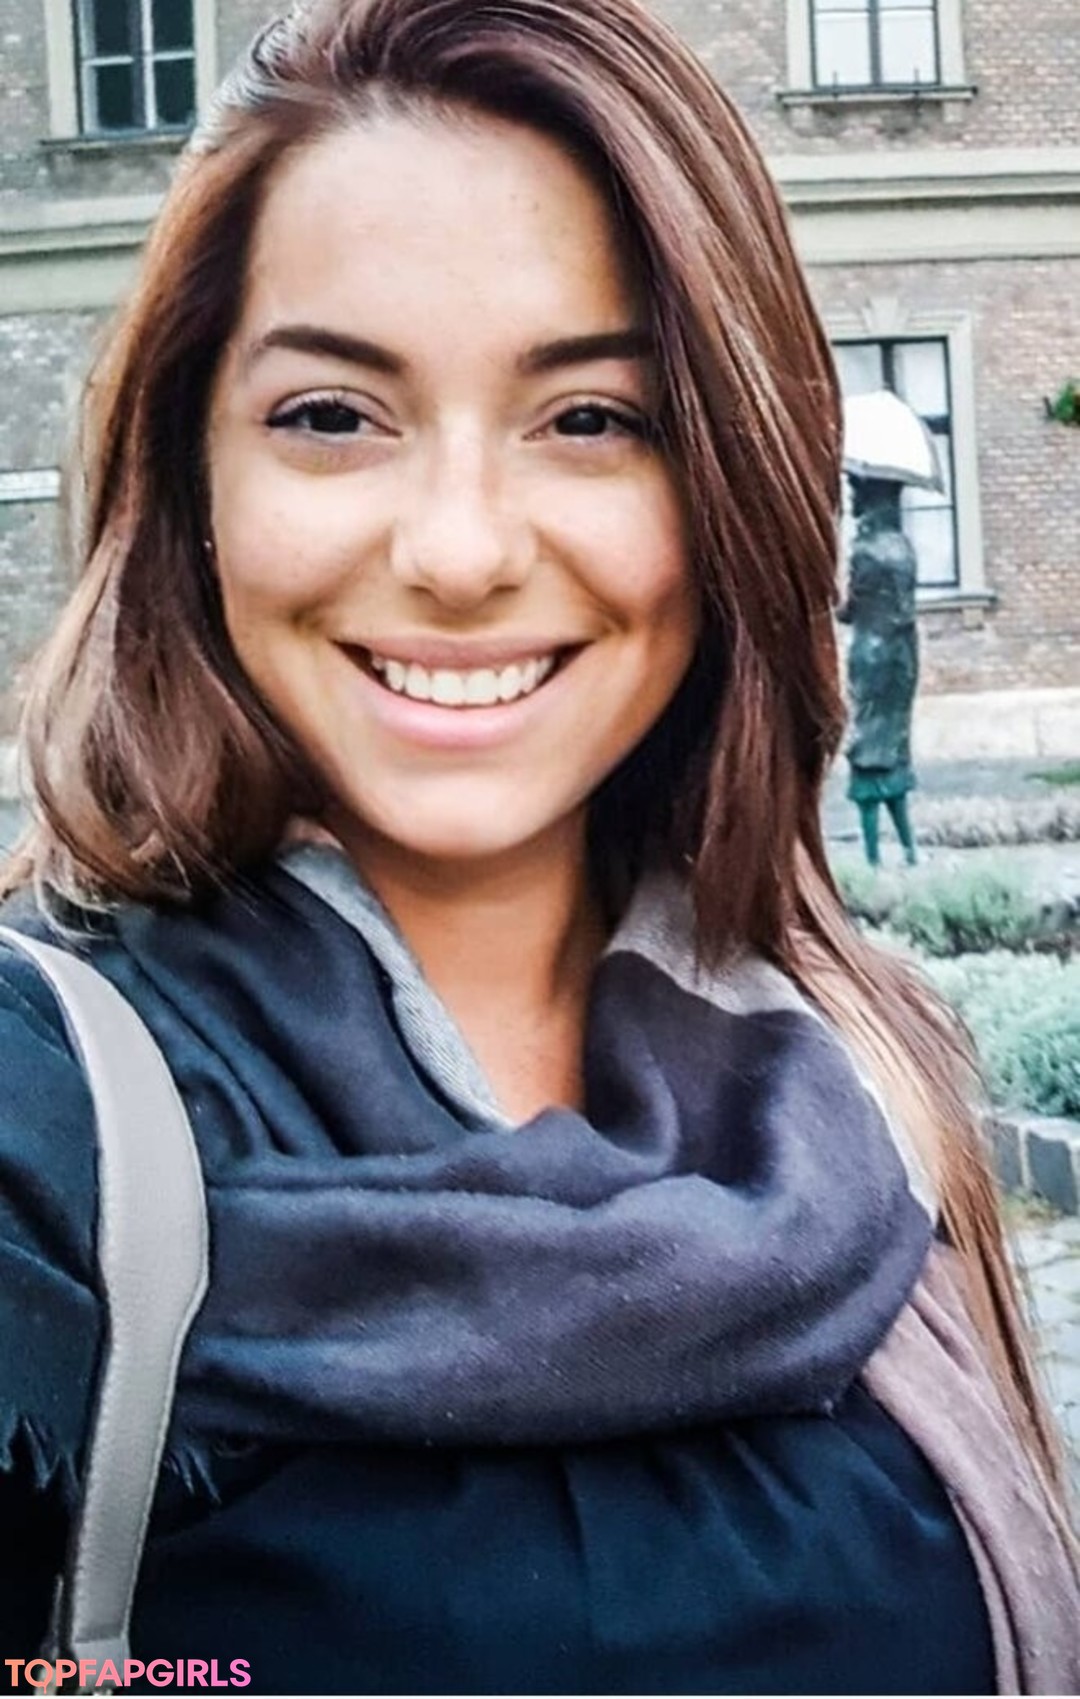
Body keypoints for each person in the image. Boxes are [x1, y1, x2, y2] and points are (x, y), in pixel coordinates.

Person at [0, 0, 1076, 1691]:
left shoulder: (859, 1066)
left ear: (729, 487)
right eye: (333, 414)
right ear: (192, 478)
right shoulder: (39, 1130)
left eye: (591, 418)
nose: (459, 550)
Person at [838, 474, 920, 868]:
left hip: (871, 655)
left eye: (857, 493)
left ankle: (872, 856)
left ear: (871, 499)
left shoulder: (866, 551)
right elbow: (904, 611)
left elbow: (851, 611)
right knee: (895, 744)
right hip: (903, 656)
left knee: (867, 748)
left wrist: (834, 602)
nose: (853, 502)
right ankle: (909, 849)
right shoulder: (903, 548)